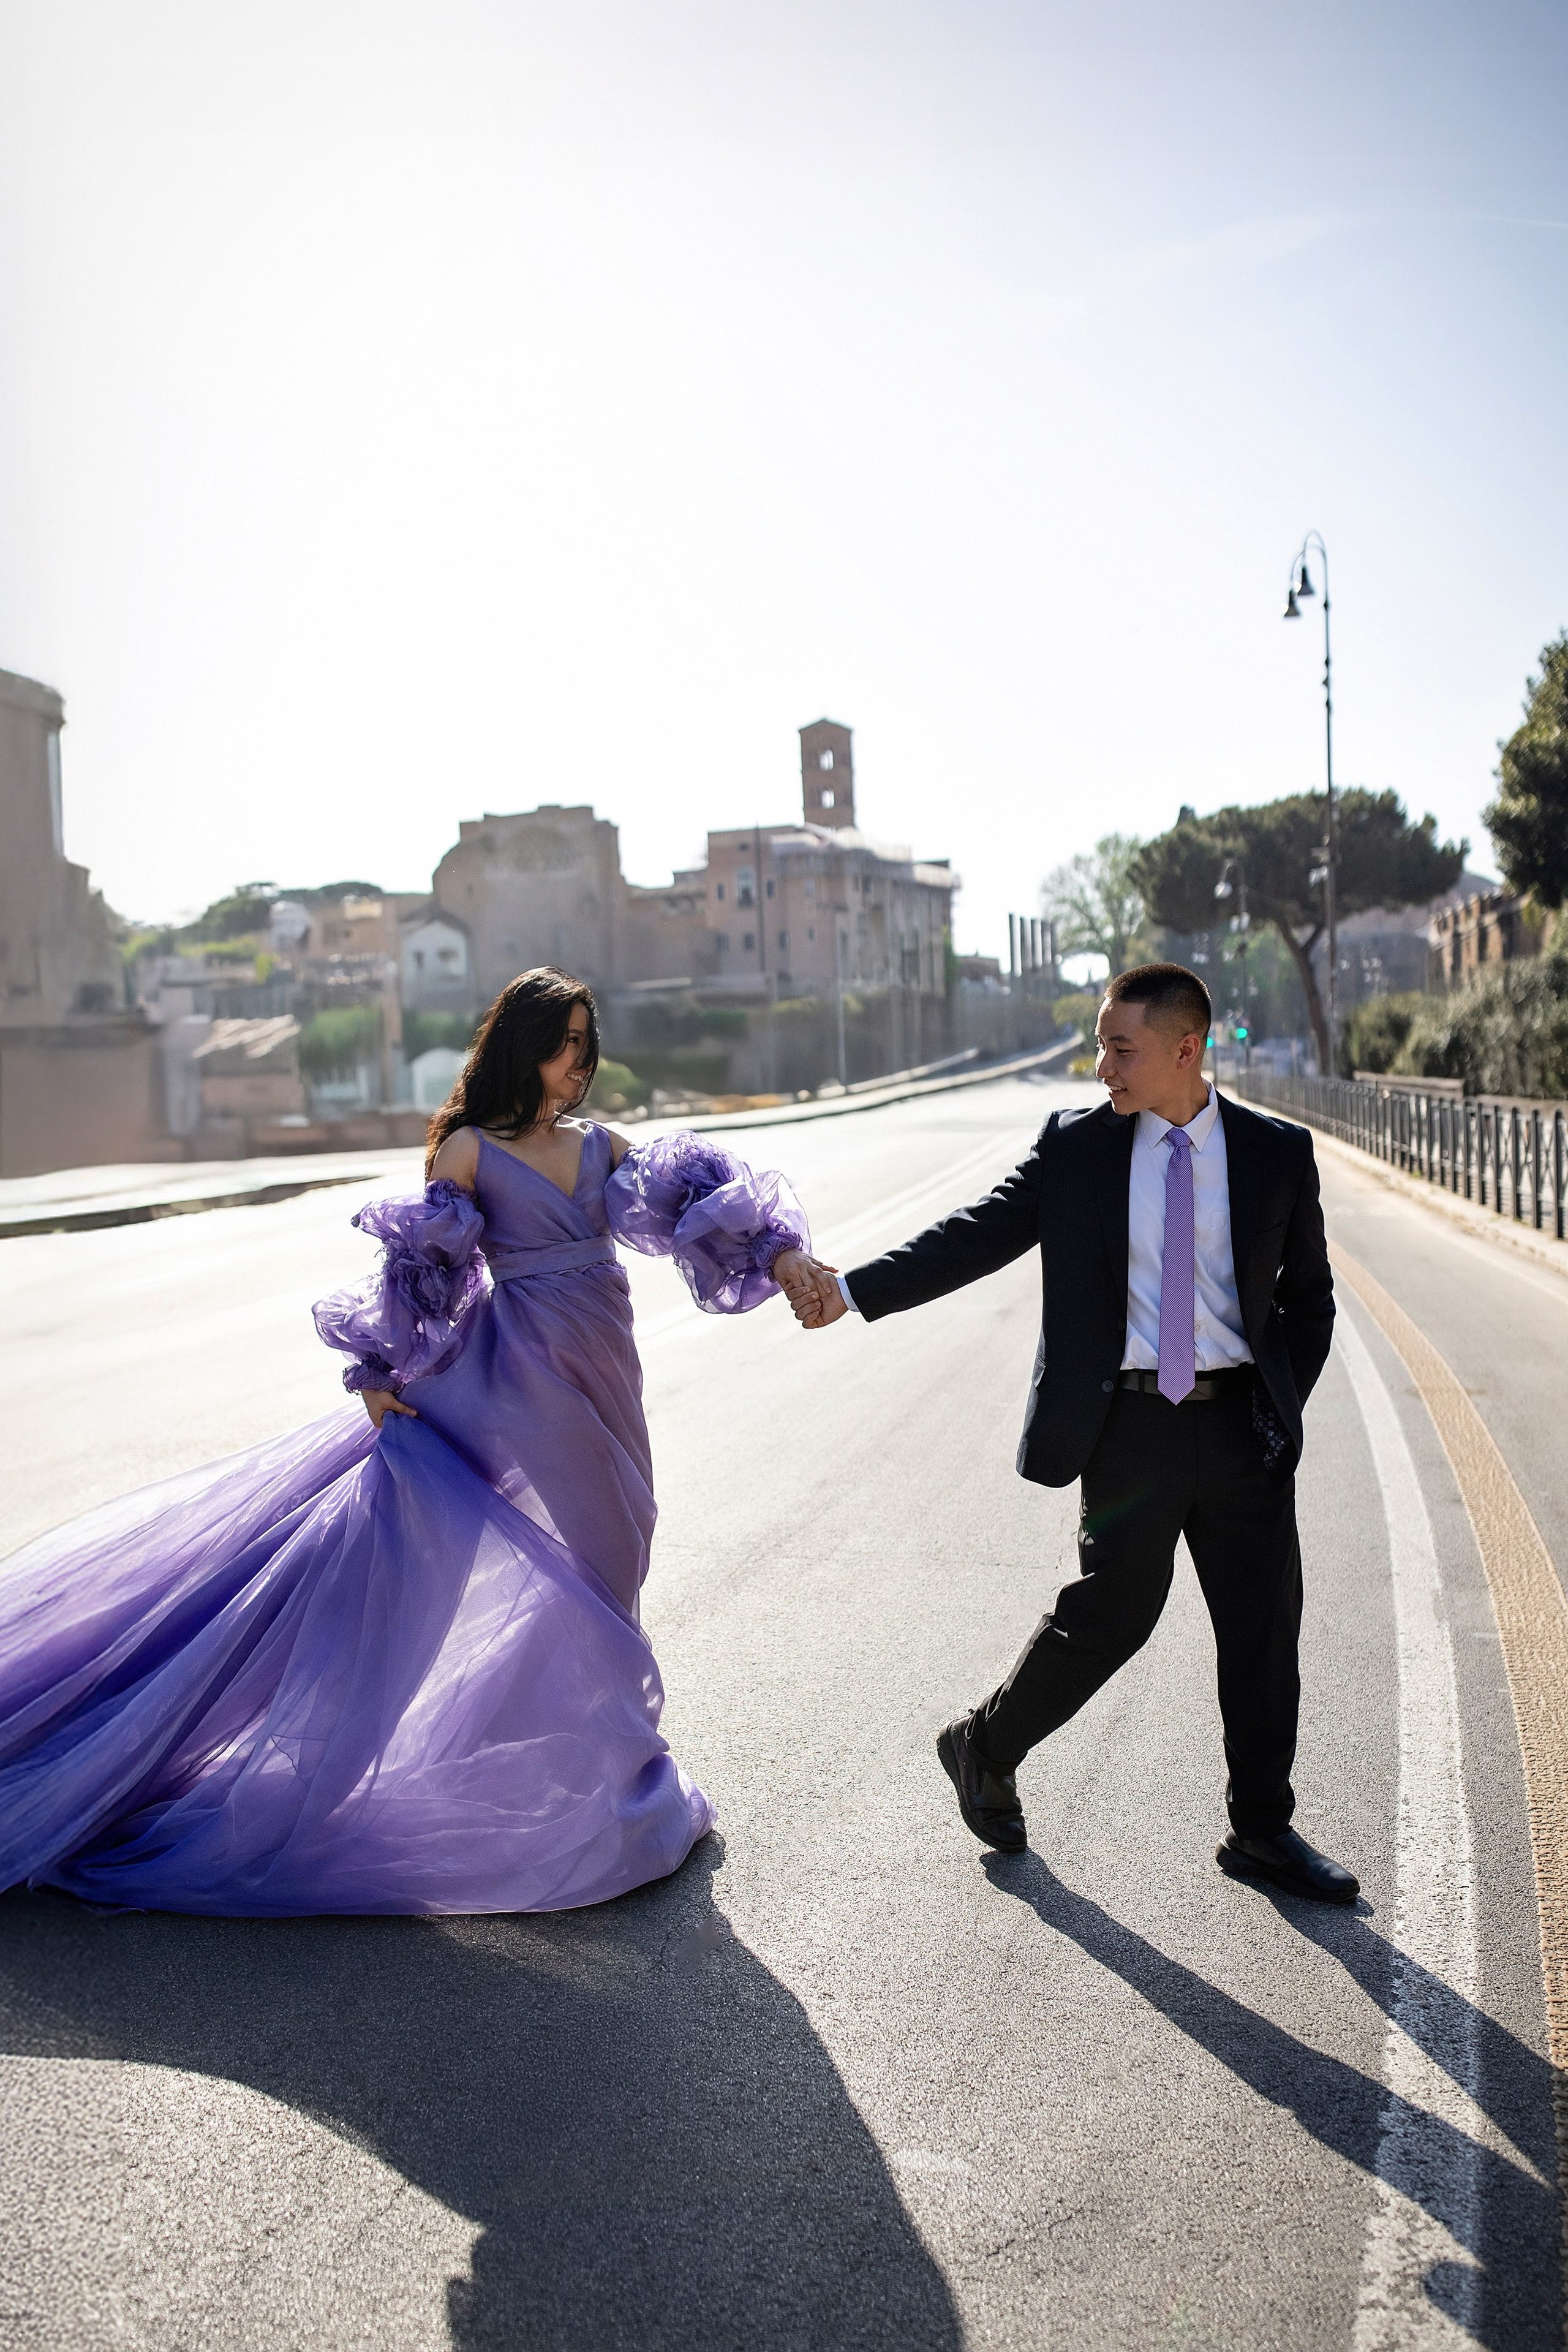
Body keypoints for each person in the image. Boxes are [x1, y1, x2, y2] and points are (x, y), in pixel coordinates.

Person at [0, 967, 821, 1917]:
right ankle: (616, 1787)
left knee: (629, 1542)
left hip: (609, 1364)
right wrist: (378, 1372)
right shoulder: (469, 1151)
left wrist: (785, 1256)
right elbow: (425, 1274)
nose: (579, 1064)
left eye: (587, 1045)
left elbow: (700, 1205)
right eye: (563, 1044)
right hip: (526, 1377)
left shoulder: (604, 1147)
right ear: (522, 1045)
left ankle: (579, 1770)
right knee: (600, 1559)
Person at [786, 962, 1356, 1905]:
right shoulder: (1079, 1149)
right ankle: (986, 1745)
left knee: (1263, 1631)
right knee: (1112, 1617)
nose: (1102, 1067)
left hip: (1239, 1429)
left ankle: (1262, 1830)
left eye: (1120, 1048)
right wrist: (851, 1291)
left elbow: (1312, 1300)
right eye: (1100, 1046)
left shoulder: (1275, 1153)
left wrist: (1277, 1409)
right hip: (1128, 1428)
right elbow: (977, 1233)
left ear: (1186, 1049)